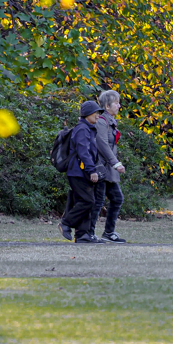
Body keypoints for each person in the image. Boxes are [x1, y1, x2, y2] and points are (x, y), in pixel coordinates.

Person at [58, 100, 106, 244]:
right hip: (77, 171)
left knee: (86, 200)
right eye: (95, 113)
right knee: (88, 201)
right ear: (87, 114)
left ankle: (82, 235)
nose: (98, 116)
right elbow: (83, 152)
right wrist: (92, 170)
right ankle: (65, 222)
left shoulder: (88, 128)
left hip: (81, 171)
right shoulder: (82, 129)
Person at [92, 89, 127, 243]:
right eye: (116, 103)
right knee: (98, 201)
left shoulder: (110, 121)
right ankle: (88, 233)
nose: (119, 106)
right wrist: (116, 163)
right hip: (101, 168)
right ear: (107, 106)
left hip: (108, 170)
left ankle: (109, 232)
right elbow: (102, 145)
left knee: (117, 198)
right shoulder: (101, 121)